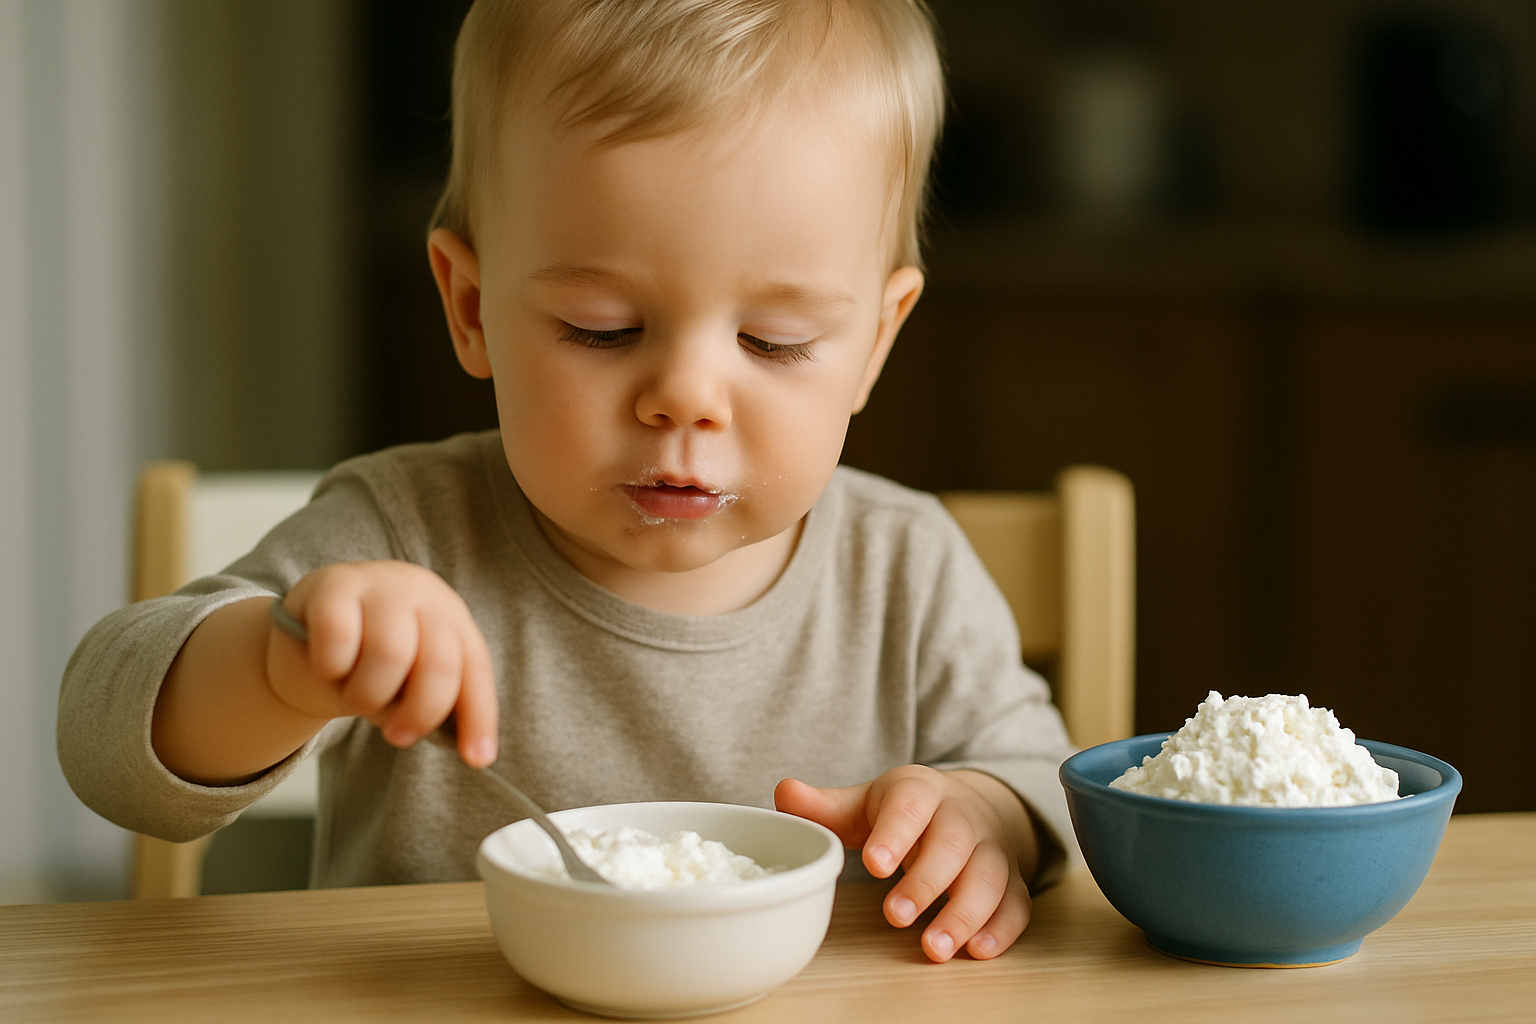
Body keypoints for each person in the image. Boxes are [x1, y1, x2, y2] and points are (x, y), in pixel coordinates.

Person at [59, 0, 1076, 963]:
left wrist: (985, 816)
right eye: (604, 328)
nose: (685, 399)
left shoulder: (907, 571)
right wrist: (281, 667)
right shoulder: (401, 535)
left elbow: (1052, 785)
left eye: (776, 341)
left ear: (874, 343)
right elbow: (104, 742)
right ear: (470, 305)